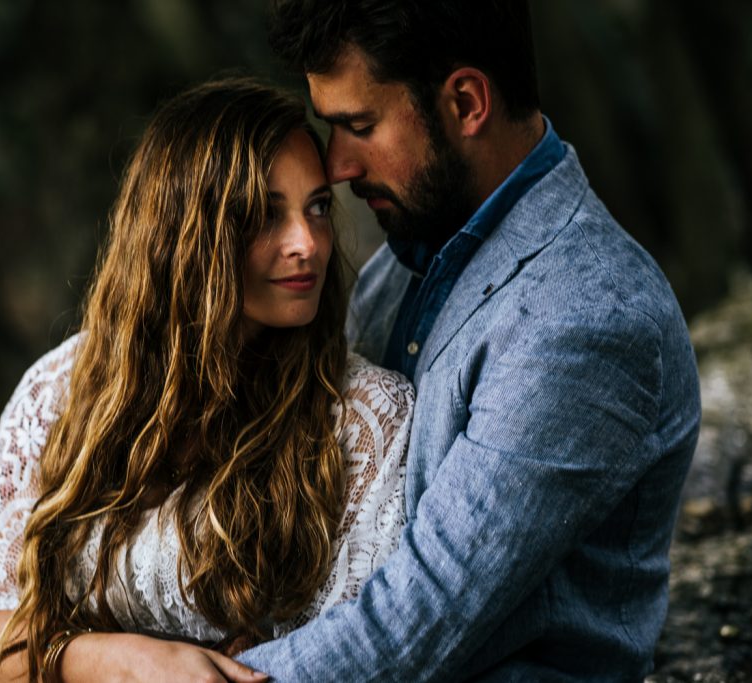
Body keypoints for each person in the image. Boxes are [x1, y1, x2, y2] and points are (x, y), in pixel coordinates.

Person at [0, 77, 414, 682]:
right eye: (263, 214)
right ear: (181, 236)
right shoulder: (61, 391)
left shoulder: (362, 417)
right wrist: (120, 661)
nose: (307, 243)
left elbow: (351, 654)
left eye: (316, 207)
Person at [224, 1, 701, 681]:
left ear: (467, 101)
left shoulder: (583, 318)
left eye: (359, 126)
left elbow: (416, 620)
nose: (337, 166)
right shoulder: (396, 271)